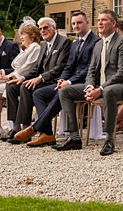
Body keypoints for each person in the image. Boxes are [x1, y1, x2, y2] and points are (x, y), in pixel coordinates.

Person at [56, 9, 123, 156]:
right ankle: (74, 137)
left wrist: (101, 89)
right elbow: (91, 71)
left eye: (104, 20)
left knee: (109, 91)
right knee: (65, 91)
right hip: (100, 86)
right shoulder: (98, 44)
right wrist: (90, 86)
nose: (100, 23)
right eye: (98, 20)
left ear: (113, 23)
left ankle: (109, 140)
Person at [24, 10, 98, 148]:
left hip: (87, 82)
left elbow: (89, 68)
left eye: (79, 23)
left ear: (87, 23)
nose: (76, 26)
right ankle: (46, 133)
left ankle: (38, 127)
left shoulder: (96, 42)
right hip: (69, 82)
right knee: (38, 93)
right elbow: (68, 66)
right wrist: (62, 79)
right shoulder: (75, 44)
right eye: (74, 23)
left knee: (64, 91)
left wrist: (68, 82)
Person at [8, 17, 71, 144]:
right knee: (12, 87)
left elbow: (60, 67)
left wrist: (40, 78)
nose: (42, 31)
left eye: (45, 28)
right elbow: (36, 68)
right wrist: (23, 77)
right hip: (43, 81)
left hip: (55, 81)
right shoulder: (43, 46)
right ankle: (18, 127)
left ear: (53, 28)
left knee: (27, 88)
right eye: (40, 28)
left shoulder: (64, 42)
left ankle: (33, 130)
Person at [0, 23, 43, 138]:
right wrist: (7, 76)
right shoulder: (26, 49)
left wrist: (9, 77)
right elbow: (17, 66)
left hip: (25, 79)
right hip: (17, 77)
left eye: (23, 35)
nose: (21, 38)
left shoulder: (35, 48)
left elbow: (28, 67)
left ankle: (5, 126)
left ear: (32, 36)